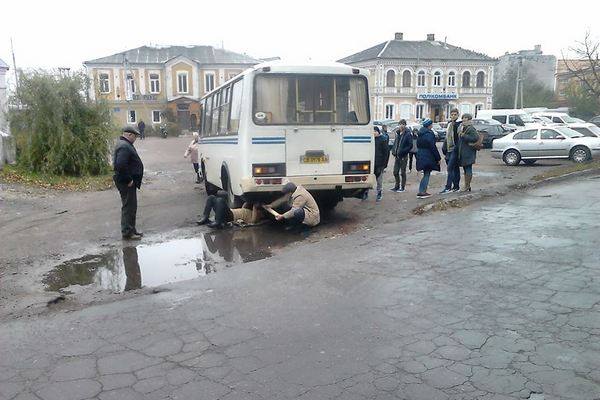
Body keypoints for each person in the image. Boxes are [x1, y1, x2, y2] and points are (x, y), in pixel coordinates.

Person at [113, 126, 144, 240]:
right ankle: (127, 232)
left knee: (131, 206)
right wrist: (129, 179)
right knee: (128, 207)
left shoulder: (124, 144)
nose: (135, 138)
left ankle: (132, 230)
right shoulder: (124, 146)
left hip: (128, 181)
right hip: (126, 182)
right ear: (129, 135)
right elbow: (120, 165)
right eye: (135, 136)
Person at [197, 191, 266, 229]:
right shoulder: (248, 212)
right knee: (211, 197)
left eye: (261, 212)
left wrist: (255, 207)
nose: (259, 212)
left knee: (220, 200)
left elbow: (254, 213)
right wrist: (250, 201)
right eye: (260, 211)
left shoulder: (253, 219)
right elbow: (245, 205)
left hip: (230, 216)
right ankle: (205, 217)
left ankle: (218, 222)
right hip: (224, 213)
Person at [415, 119, 441, 199]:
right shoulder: (429, 134)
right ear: (429, 125)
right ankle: (422, 191)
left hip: (420, 154)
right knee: (427, 173)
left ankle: (422, 190)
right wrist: (438, 158)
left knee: (425, 172)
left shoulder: (420, 133)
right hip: (428, 155)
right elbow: (432, 146)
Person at [440, 109, 462, 194]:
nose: (453, 116)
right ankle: (456, 186)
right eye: (452, 114)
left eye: (455, 114)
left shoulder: (459, 125)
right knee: (455, 168)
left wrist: (456, 148)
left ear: (457, 115)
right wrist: (444, 148)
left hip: (455, 149)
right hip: (449, 149)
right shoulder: (449, 124)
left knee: (450, 168)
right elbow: (447, 138)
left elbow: (459, 138)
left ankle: (448, 187)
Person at [366, 126, 390, 201]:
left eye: (375, 131)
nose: (374, 133)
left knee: (379, 179)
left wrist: (385, 164)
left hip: (379, 163)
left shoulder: (383, 140)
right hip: (371, 163)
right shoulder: (370, 139)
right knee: (367, 179)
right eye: (372, 131)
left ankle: (379, 192)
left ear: (378, 132)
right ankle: (365, 192)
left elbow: (386, 153)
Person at [457, 113, 479, 192]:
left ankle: (467, 186)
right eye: (463, 120)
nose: (463, 122)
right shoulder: (463, 128)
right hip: (464, 152)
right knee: (466, 169)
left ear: (469, 120)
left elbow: (475, 138)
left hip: (469, 152)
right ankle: (467, 186)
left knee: (468, 168)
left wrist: (464, 136)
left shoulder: (470, 128)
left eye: (465, 120)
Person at [390, 119, 413, 193]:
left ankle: (402, 187)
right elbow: (395, 143)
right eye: (400, 124)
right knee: (395, 172)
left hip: (403, 156)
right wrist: (394, 151)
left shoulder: (408, 134)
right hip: (397, 156)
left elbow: (410, 145)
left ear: (405, 125)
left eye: (403, 124)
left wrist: (403, 151)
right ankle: (396, 186)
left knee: (402, 172)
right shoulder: (398, 133)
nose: (401, 126)